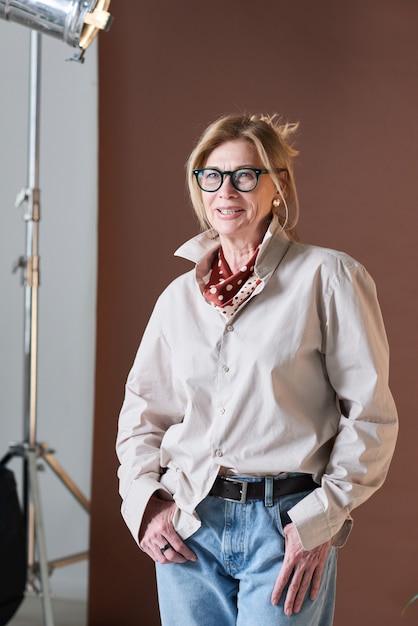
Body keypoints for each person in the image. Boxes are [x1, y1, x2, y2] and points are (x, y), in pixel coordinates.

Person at [116, 113, 398, 626]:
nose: (226, 190)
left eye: (245, 175)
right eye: (212, 175)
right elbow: (143, 414)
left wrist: (320, 523)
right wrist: (144, 503)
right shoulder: (178, 299)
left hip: (286, 523)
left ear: (278, 185)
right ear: (199, 186)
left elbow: (371, 418)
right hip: (191, 524)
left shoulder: (329, 277)